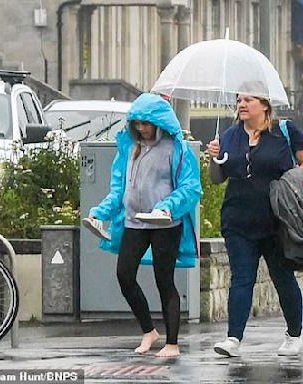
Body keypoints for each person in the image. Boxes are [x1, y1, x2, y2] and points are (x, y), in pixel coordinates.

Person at [83, 93, 201, 357]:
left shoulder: (175, 149)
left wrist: (166, 207)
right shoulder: (129, 148)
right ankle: (149, 331)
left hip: (165, 225)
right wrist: (99, 213)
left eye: (145, 123)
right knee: (124, 275)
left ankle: (172, 343)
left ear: (159, 122)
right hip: (134, 223)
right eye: (136, 122)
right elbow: (119, 191)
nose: (140, 128)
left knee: (164, 281)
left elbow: (191, 187)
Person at [206, 93, 303, 357]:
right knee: (241, 278)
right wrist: (214, 157)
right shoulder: (231, 136)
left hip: (277, 220)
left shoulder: (284, 131)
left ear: (265, 105)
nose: (242, 105)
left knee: (282, 277)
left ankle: (294, 334)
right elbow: (217, 178)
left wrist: (290, 179)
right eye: (239, 100)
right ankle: (233, 338)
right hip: (238, 219)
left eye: (249, 100)